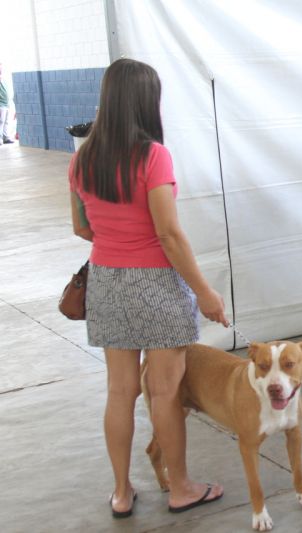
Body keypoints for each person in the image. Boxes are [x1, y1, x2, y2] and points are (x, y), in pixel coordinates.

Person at [69, 58, 228, 518]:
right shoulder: (153, 156)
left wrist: (116, 237)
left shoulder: (82, 159)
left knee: (120, 392)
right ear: (145, 101)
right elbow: (169, 234)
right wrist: (204, 291)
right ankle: (181, 488)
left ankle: (122, 492)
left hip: (106, 281)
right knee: (164, 392)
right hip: (156, 282)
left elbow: (81, 228)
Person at [0, 63, 14, 144]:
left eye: (1, 68)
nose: (0, 70)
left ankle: (6, 138)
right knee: (1, 122)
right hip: (1, 104)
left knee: (6, 122)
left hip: (7, 104)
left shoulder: (4, 79)